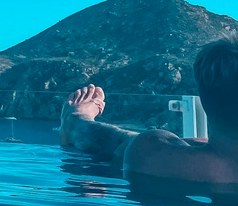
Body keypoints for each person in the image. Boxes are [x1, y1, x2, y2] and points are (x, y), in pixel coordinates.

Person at [60, 39, 238, 184]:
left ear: (204, 97)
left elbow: (142, 146)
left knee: (143, 144)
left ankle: (76, 122)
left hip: (159, 161)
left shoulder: (152, 152)